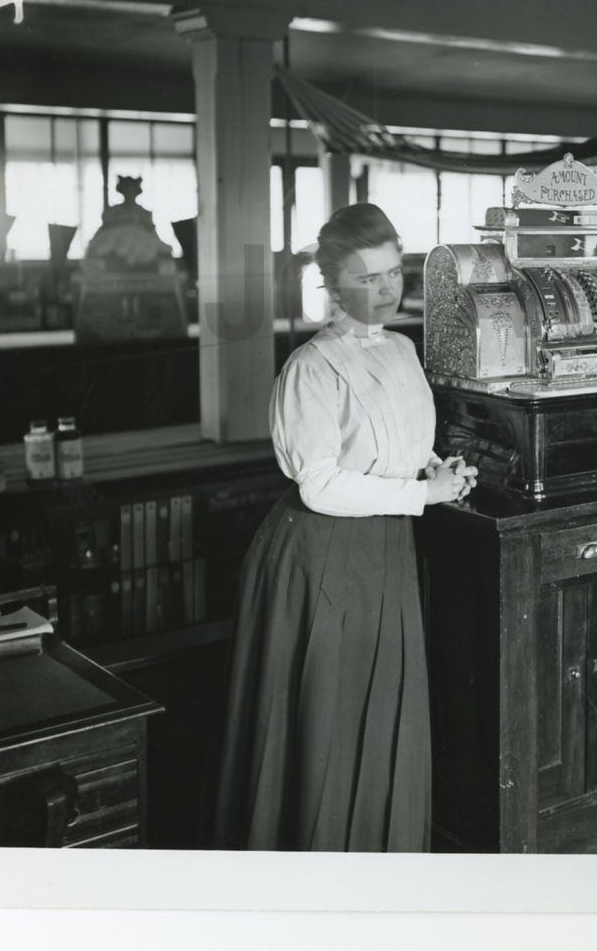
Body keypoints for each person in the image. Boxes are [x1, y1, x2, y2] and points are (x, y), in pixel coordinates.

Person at [213, 203, 476, 850]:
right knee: (324, 723)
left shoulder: (404, 347)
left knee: (381, 709)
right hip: (322, 557)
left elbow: (398, 442)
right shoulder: (312, 365)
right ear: (332, 285)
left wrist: (433, 465)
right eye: (366, 278)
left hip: (386, 546)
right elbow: (321, 483)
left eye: (392, 274)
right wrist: (424, 492)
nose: (384, 291)